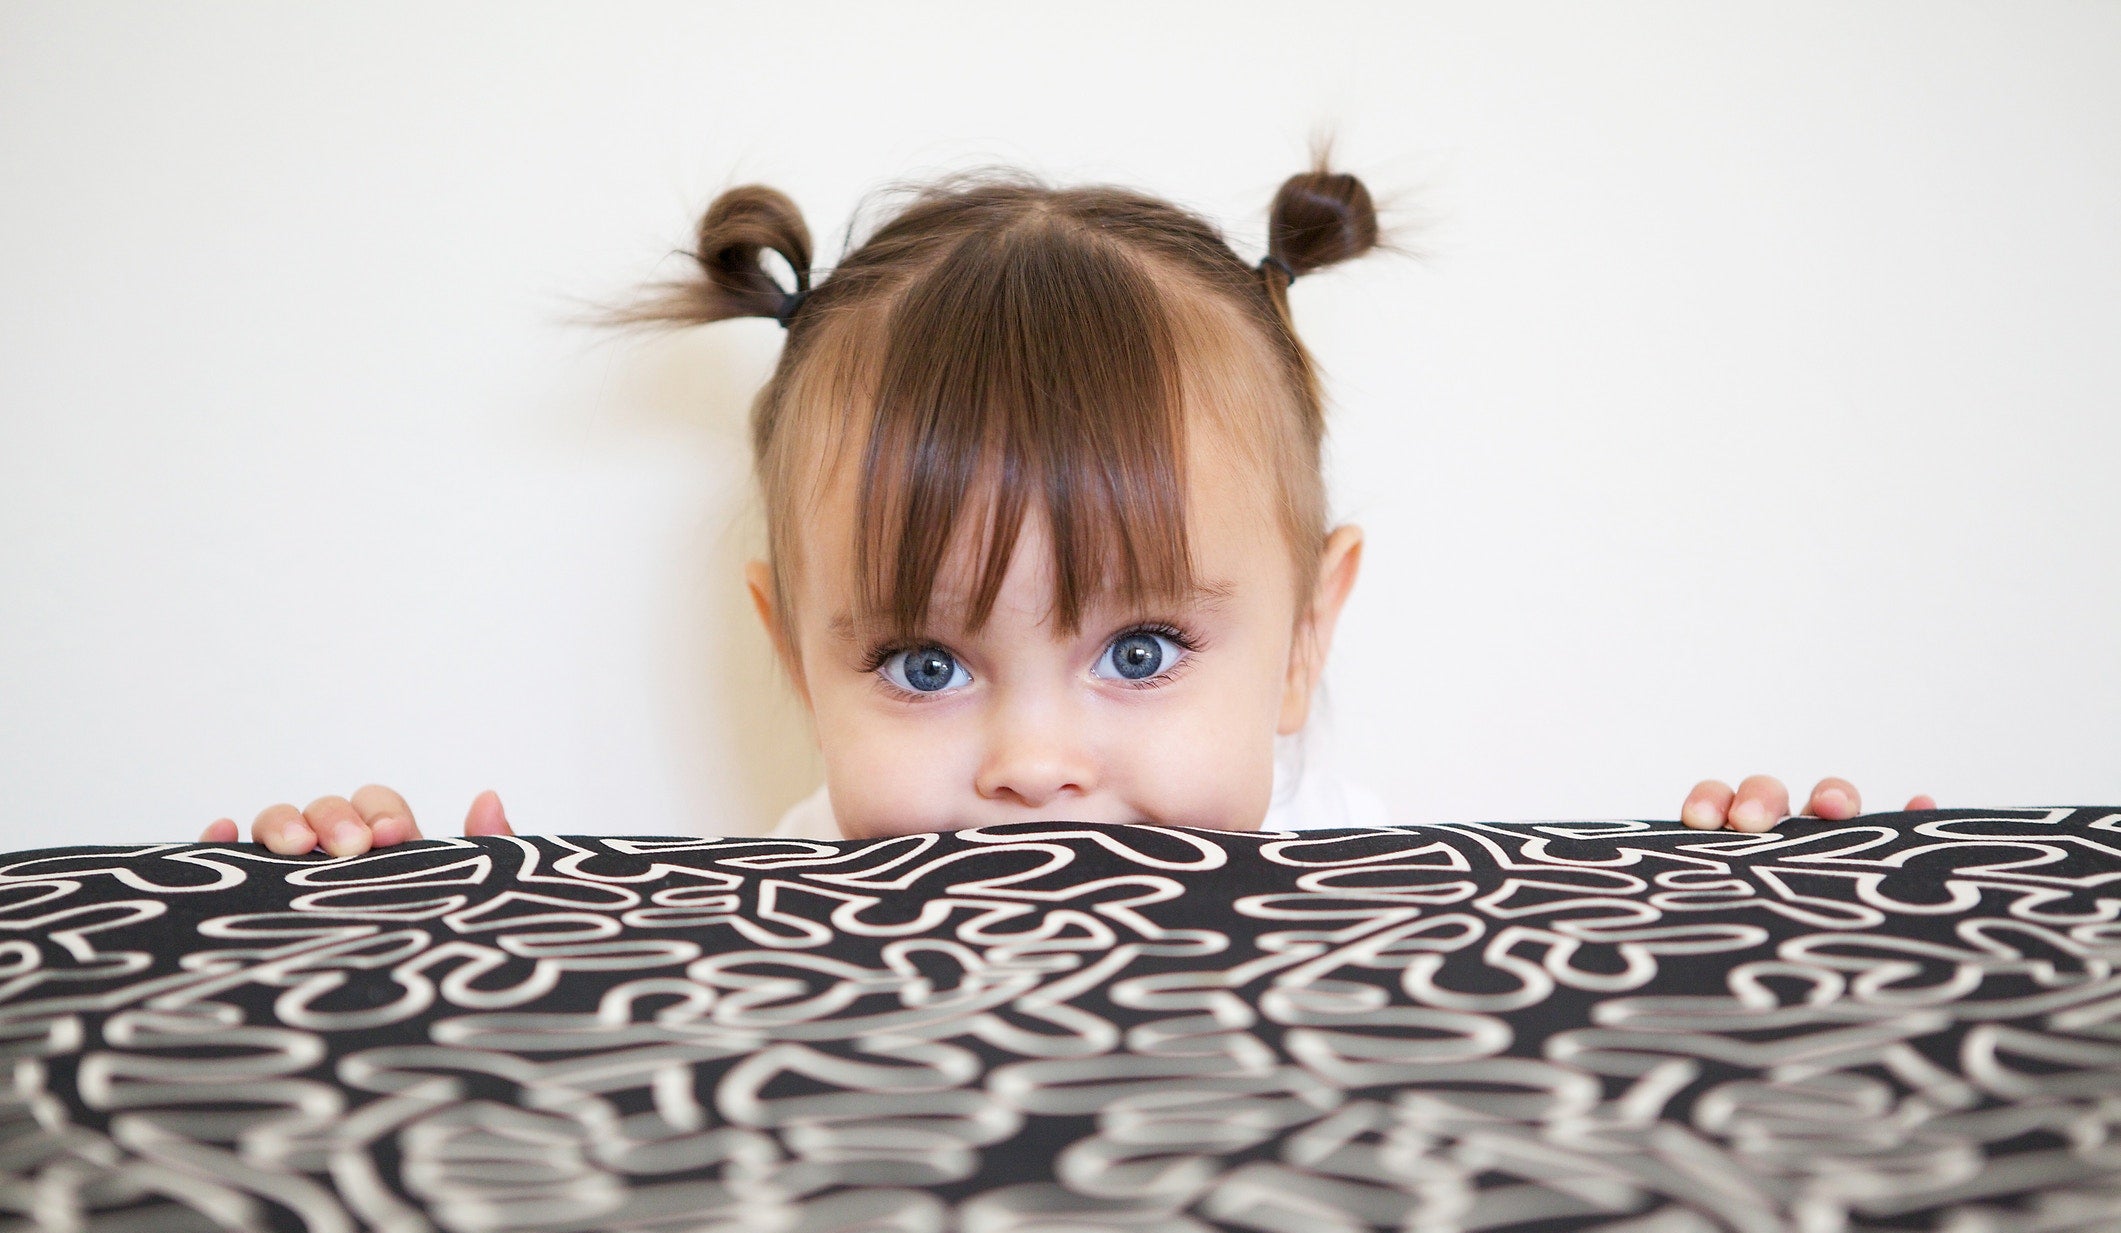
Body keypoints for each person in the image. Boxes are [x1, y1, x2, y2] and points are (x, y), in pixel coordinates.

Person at [200, 164, 1933, 855]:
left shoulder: (1375, 890)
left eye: (1145, 644)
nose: (1036, 758)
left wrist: (1724, 908)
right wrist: (404, 918)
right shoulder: (766, 916)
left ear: (1307, 636)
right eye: (926, 666)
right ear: (792, 654)